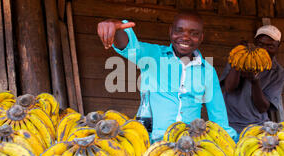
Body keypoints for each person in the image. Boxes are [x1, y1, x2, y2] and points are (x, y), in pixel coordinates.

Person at [97, 12, 239, 143]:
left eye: (194, 33)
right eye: (179, 30)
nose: (185, 37)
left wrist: (234, 144)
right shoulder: (153, 56)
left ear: (201, 37)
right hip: (151, 142)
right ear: (170, 31)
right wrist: (114, 27)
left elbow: (219, 119)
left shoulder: (207, 71)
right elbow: (129, 47)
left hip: (190, 145)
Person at [220, 24, 284, 135]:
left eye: (270, 46)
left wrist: (255, 82)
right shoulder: (239, 57)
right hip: (229, 123)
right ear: (255, 43)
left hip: (256, 126)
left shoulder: (278, 73)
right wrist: (238, 64)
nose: (264, 50)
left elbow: (263, 107)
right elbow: (229, 88)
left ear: (277, 46)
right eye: (260, 44)